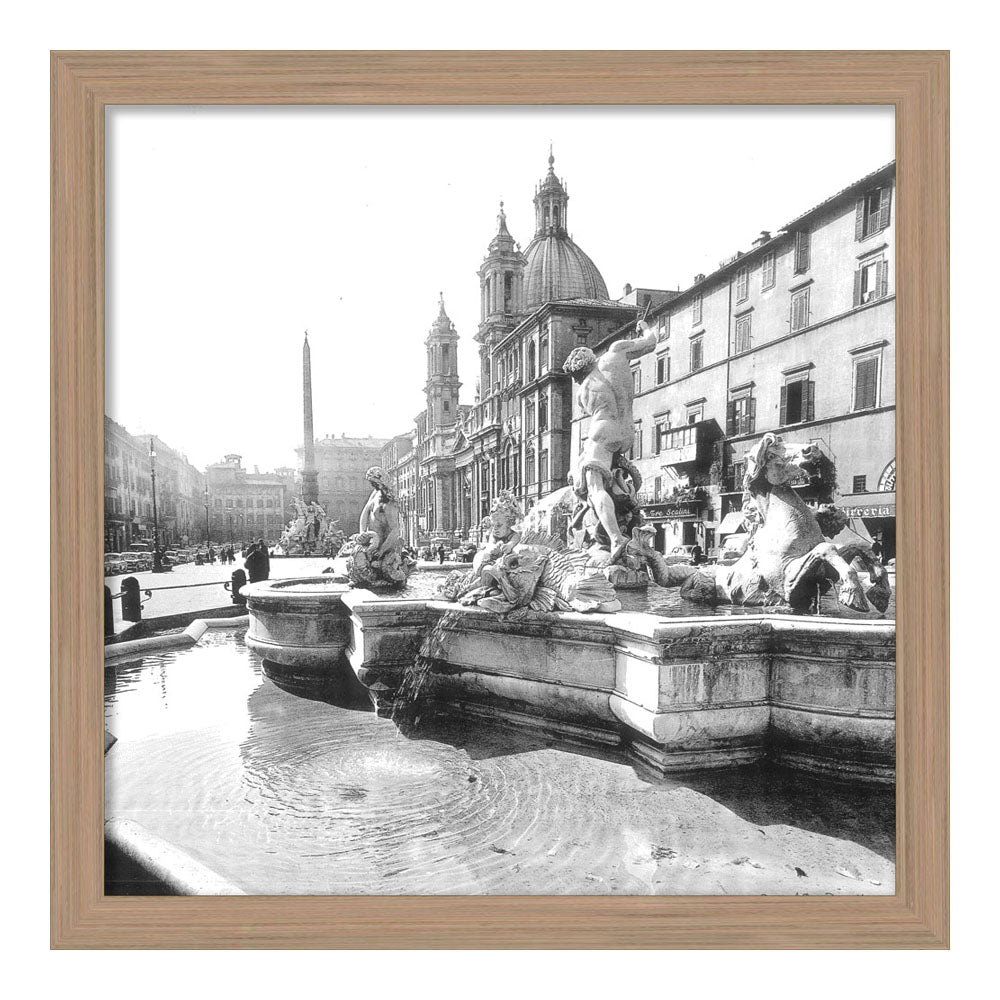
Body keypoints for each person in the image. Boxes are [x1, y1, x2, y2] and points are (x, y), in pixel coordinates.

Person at [563, 313, 658, 562]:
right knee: (601, 476)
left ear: (577, 374)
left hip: (602, 429)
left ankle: (616, 538)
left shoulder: (582, 391)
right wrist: (644, 327)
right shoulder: (616, 353)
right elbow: (651, 342)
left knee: (593, 485)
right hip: (626, 432)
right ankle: (614, 527)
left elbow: (590, 414)